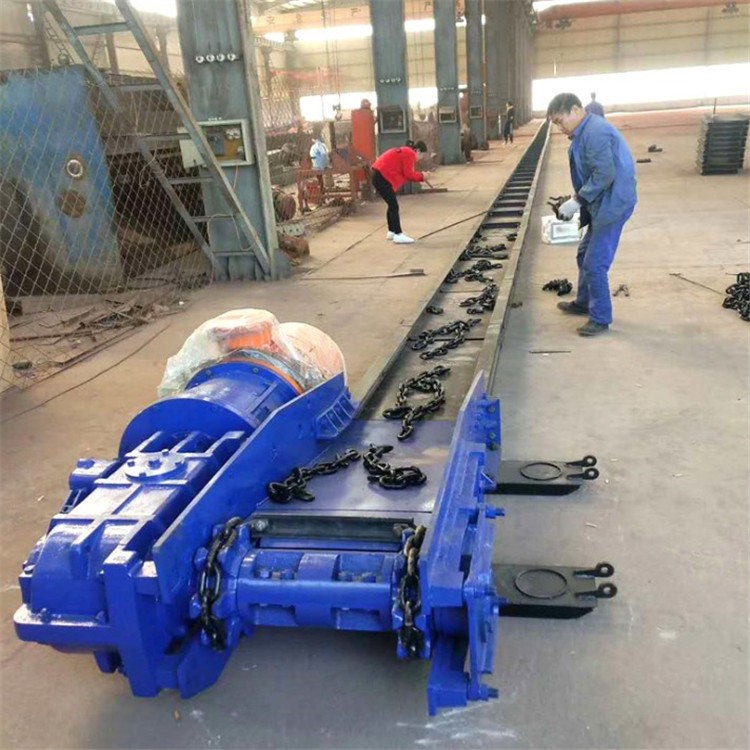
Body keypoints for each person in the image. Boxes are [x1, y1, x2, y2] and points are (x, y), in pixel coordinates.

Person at [547, 92, 637, 337]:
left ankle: (600, 318)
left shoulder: (595, 132)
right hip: (601, 202)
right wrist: (577, 201)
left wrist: (577, 201)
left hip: (613, 204)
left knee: (595, 263)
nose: (559, 127)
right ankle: (584, 302)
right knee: (583, 254)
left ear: (576, 110)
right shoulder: (582, 133)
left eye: (560, 121)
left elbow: (604, 174)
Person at [371, 140, 433, 244]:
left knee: (391, 204)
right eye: (422, 155)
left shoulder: (405, 151)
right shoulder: (410, 154)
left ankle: (391, 231)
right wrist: (422, 176)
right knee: (394, 206)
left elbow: (404, 171)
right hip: (382, 177)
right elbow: (409, 174)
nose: (421, 158)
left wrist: (421, 175)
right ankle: (398, 234)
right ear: (417, 151)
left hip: (378, 174)